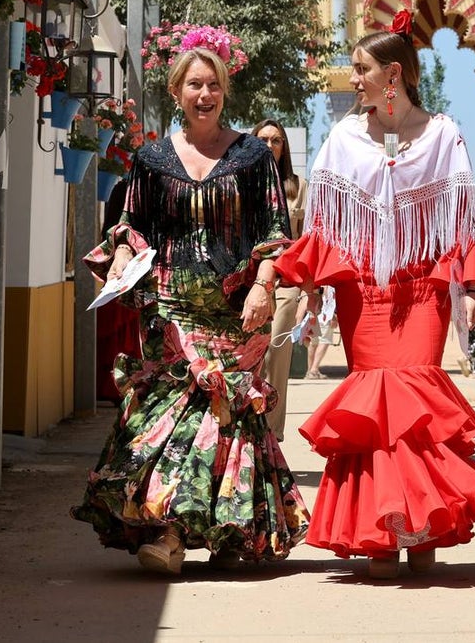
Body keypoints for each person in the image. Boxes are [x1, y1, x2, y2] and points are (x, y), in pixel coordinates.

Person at [274, 10, 475, 579]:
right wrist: (314, 288)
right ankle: (381, 530)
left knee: (415, 402)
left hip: (421, 290)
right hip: (363, 292)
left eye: (361, 68)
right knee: (372, 409)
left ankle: (424, 524)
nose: (352, 78)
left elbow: (461, 220)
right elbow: (324, 225)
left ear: (394, 74)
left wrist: (472, 287)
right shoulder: (343, 138)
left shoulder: (443, 135)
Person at [72, 31, 310, 575]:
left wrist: (263, 285)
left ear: (225, 92)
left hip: (235, 306)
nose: (205, 94)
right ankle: (172, 532)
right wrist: (117, 260)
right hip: (172, 304)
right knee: (176, 413)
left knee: (230, 414)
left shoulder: (252, 156)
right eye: (195, 85)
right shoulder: (152, 159)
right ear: (177, 90)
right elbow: (130, 224)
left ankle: (233, 530)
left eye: (214, 86)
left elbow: (275, 229)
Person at [252, 118, 306, 440]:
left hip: (285, 286)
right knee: (249, 358)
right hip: (246, 286)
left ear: (284, 146)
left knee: (275, 355)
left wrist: (312, 292)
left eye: (276, 140)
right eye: (263, 139)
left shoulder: (299, 187)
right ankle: (247, 433)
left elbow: (309, 239)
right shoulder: (242, 184)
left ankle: (271, 437)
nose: (269, 145)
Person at [94, 178, 140, 405]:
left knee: (118, 333)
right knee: (127, 332)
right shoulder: (132, 191)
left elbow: (107, 231)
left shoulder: (123, 188)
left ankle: (113, 386)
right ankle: (123, 386)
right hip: (132, 271)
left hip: (117, 271)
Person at [305, 285, 339, 379]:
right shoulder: (331, 285)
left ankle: (310, 370)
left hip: (314, 314)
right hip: (326, 316)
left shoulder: (316, 283)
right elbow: (332, 300)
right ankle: (314, 369)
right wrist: (334, 315)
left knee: (313, 343)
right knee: (324, 341)